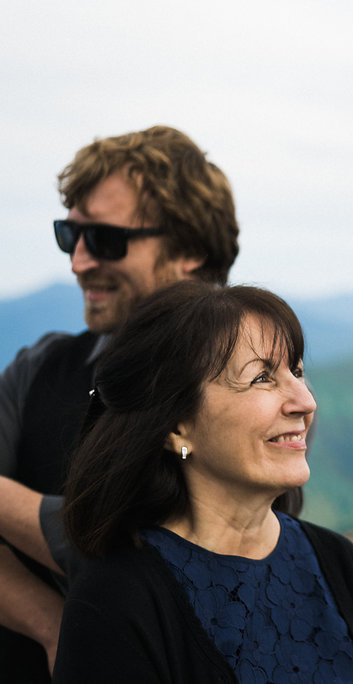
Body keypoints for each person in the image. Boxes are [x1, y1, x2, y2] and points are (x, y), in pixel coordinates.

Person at [51, 281, 353, 683]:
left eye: (297, 371)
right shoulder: (118, 600)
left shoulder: (338, 565)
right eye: (261, 378)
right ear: (177, 427)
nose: (305, 401)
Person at [0, 125, 240, 681]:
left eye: (105, 239)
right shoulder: (41, 368)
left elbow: (154, 543)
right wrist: (53, 626)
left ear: (189, 249)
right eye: (70, 235)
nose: (79, 262)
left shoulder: (256, 391)